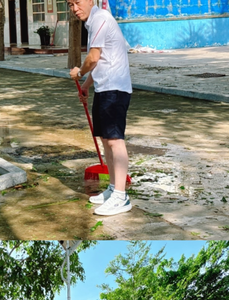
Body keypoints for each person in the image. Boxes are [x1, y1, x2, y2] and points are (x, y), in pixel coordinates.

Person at [67, 0, 133, 216]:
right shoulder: (93, 22)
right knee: (106, 140)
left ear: (90, 1)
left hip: (115, 89)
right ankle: (113, 189)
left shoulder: (101, 18)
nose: (74, 8)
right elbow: (102, 60)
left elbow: (93, 58)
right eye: (70, 4)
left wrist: (79, 73)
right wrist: (86, 87)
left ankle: (121, 197)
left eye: (77, 2)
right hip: (105, 88)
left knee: (115, 140)